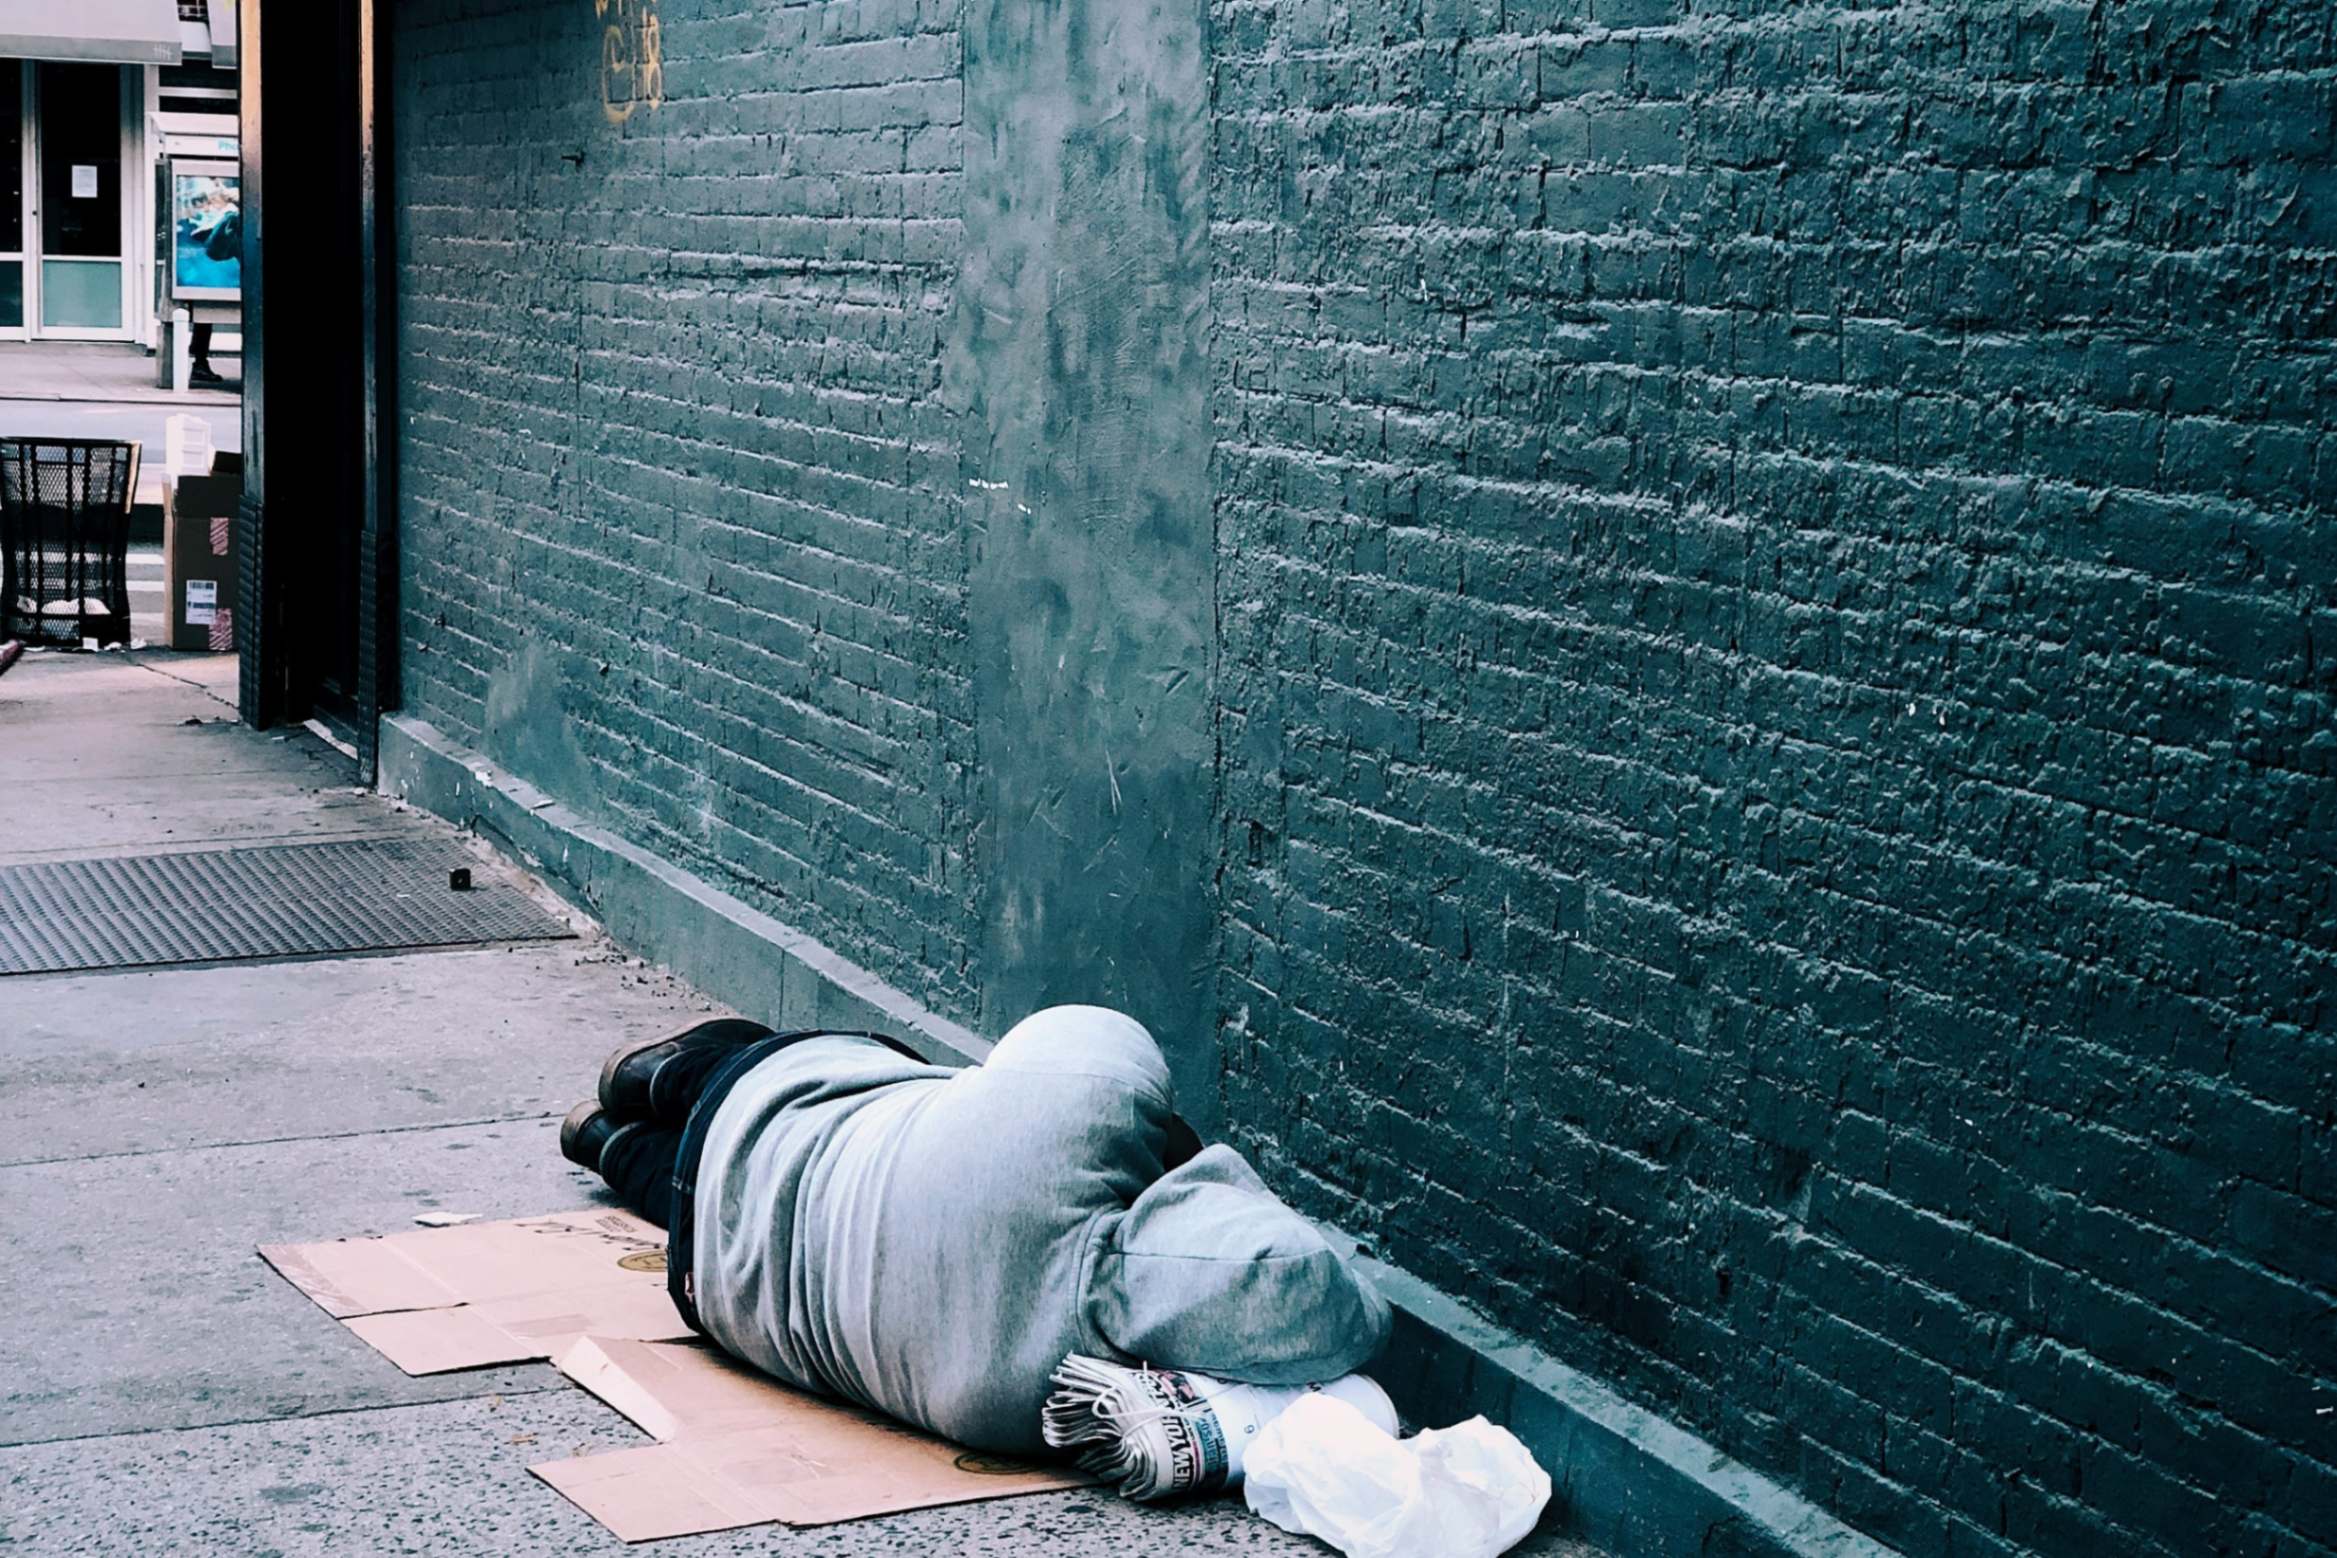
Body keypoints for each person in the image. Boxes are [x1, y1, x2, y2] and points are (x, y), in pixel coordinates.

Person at [561, 1005, 1391, 1456]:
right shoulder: (1030, 1407)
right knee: (705, 1200)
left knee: (759, 1074)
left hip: (778, 1101)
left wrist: (1177, 1155)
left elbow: (1086, 1031)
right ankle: (606, 1145)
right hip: (716, 1281)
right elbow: (1329, 1307)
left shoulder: (1074, 1107)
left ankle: (647, 1076)